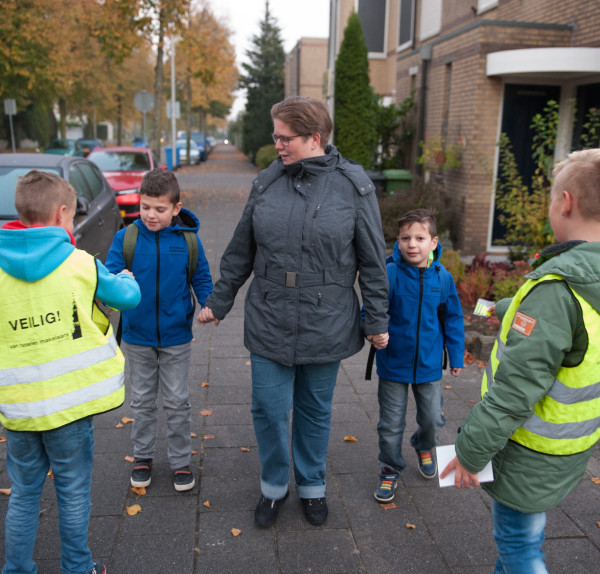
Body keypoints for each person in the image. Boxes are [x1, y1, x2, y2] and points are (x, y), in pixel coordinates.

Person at [197, 96, 389, 528]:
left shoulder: (353, 185)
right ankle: (273, 485)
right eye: (276, 137)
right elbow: (240, 249)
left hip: (328, 317)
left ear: (314, 138)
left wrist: (377, 319)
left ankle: (312, 485)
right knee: (267, 406)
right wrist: (219, 300)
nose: (277, 145)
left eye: (285, 138)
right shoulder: (267, 181)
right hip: (270, 315)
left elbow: (374, 262)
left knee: (315, 409)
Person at [440, 148, 600, 574]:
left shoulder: (558, 290)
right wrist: (513, 310)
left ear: (565, 203)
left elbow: (513, 393)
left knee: (519, 540)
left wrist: (470, 453)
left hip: (531, 449)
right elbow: (576, 334)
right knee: (527, 526)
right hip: (574, 445)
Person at [0, 170, 141, 574]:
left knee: (23, 494)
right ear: (63, 213)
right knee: (73, 489)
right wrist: (130, 278)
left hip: (18, 409)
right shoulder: (79, 263)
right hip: (70, 409)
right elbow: (127, 298)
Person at [105, 168, 212, 492]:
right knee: (141, 400)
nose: (151, 215)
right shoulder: (127, 238)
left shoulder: (188, 241)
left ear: (176, 208)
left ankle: (180, 462)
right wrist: (118, 281)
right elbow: (109, 278)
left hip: (177, 335)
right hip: (137, 336)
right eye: (145, 207)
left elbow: (202, 278)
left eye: (160, 209)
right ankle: (142, 457)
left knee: (178, 400)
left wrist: (208, 306)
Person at [372, 209, 464, 502]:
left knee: (433, 419)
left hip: (428, 364)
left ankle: (423, 445)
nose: (412, 244)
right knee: (390, 424)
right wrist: (373, 330)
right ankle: (389, 467)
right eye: (405, 238)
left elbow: (453, 318)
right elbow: (373, 309)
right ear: (397, 242)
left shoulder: (443, 278)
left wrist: (457, 356)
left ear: (434, 242)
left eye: (419, 238)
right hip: (393, 363)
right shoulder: (390, 273)